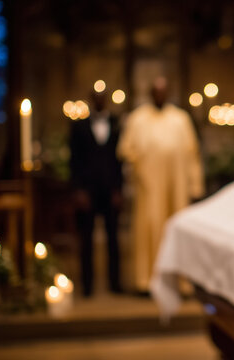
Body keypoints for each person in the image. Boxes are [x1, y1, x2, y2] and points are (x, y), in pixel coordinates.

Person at [117, 77, 204, 292]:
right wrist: (142, 163)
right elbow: (125, 149)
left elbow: (192, 153)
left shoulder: (180, 118)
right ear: (150, 94)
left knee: (176, 229)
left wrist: (195, 185)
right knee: (150, 228)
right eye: (156, 91)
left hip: (177, 186)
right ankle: (146, 280)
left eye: (163, 91)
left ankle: (179, 281)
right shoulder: (138, 118)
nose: (160, 95)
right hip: (150, 187)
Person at [69, 88, 123, 297]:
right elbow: (74, 161)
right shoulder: (79, 126)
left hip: (110, 191)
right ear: (92, 100)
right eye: (96, 97)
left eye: (103, 97)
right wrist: (78, 190)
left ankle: (115, 283)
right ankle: (87, 285)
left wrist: (118, 189)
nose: (100, 100)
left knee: (113, 239)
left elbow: (120, 161)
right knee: (86, 239)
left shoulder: (117, 124)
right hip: (87, 191)